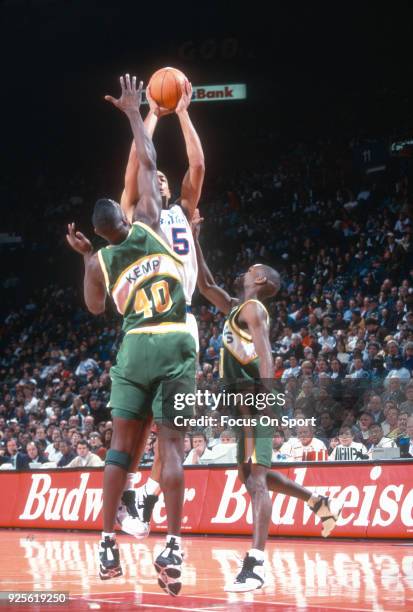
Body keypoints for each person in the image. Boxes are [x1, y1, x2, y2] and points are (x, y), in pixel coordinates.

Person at [66, 74, 196, 595]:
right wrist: (136, 112)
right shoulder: (147, 221)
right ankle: (171, 544)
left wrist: (85, 261)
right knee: (173, 448)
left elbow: (94, 308)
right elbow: (146, 161)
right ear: (123, 216)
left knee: (121, 451)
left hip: (133, 346)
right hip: (172, 339)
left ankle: (105, 542)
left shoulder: (100, 261)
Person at [193, 222, 343, 593]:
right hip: (238, 403)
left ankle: (256, 566)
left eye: (250, 268)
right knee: (251, 477)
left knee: (255, 481)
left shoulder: (254, 308)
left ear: (258, 278)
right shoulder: (236, 307)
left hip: (254, 402)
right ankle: (316, 499)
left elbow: (265, 352)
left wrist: (268, 399)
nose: (245, 270)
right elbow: (206, 285)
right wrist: (194, 239)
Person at [115, 78, 205, 541]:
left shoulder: (185, 211)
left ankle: (146, 494)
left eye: (163, 177)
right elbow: (137, 164)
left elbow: (197, 163)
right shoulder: (138, 215)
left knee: (175, 428)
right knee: (145, 420)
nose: (160, 176)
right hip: (149, 320)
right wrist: (149, 113)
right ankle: (131, 490)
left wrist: (183, 112)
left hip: (184, 321)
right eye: (156, 176)